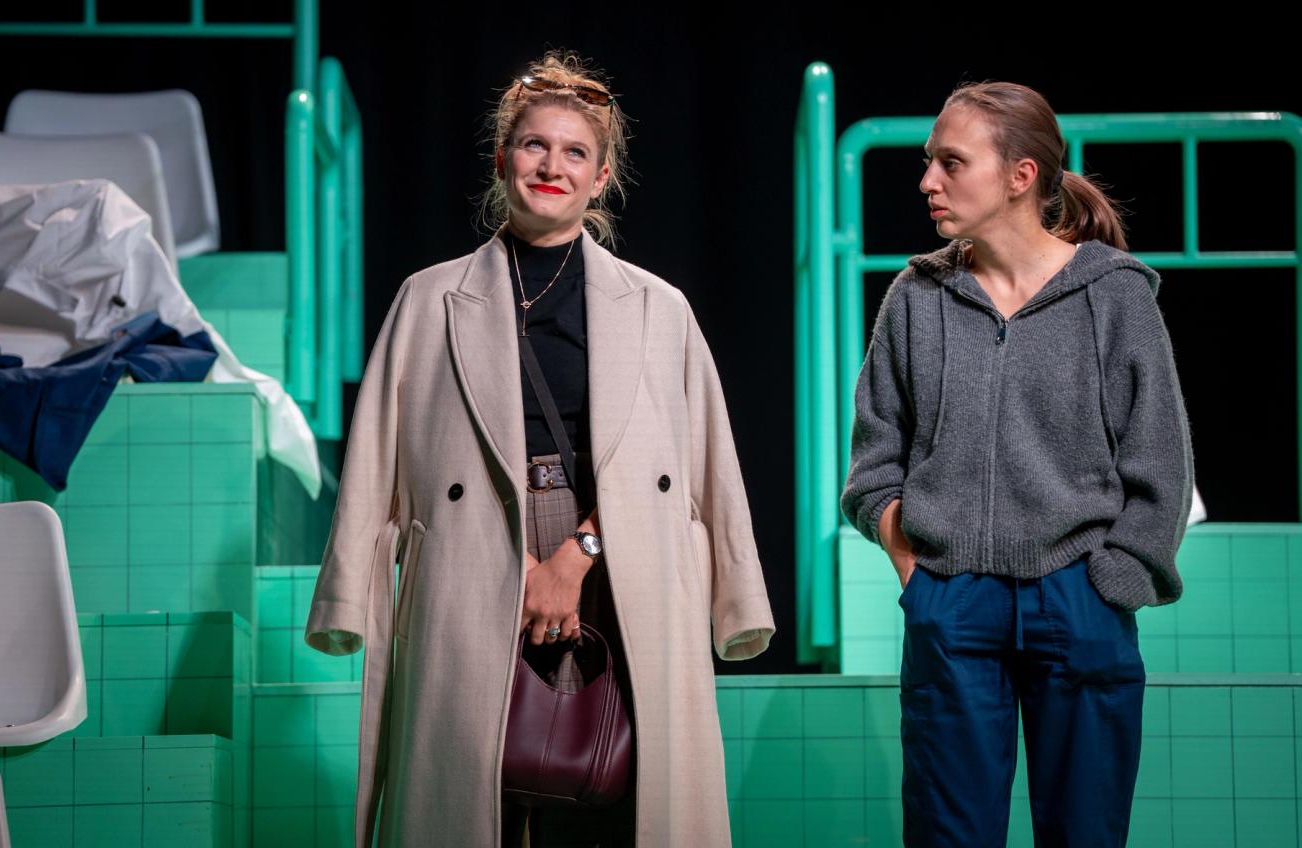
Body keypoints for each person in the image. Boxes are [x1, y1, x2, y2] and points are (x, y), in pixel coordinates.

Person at [307, 50, 774, 848]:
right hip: (473, 559)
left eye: (575, 152)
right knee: (475, 788)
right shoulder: (429, 298)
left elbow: (705, 467)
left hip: (616, 564)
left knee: (616, 792)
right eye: (534, 145)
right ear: (502, 159)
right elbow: (375, 459)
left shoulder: (659, 308)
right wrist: (355, 595)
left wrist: (579, 558)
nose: (552, 166)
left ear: (601, 177)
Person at [841, 81, 1194, 847]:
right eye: (929, 161)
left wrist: (1112, 584)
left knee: (1085, 834)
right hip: (953, 603)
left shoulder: (1115, 297)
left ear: (1019, 175)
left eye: (951, 162)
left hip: (1080, 601)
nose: (927, 181)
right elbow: (873, 464)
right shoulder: (917, 298)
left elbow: (1161, 463)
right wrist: (915, 567)